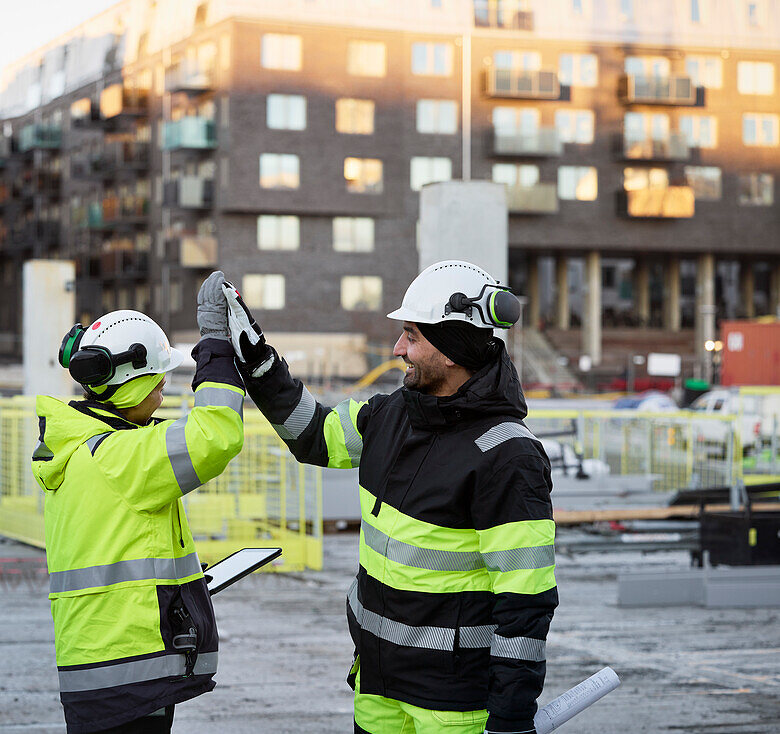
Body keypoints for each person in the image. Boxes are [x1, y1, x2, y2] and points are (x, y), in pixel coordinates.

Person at [221, 260, 557, 734]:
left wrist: (511, 719)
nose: (399, 348)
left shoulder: (509, 456)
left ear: (453, 350)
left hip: (452, 705)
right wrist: (260, 367)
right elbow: (313, 434)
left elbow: (526, 604)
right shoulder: (393, 414)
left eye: (412, 336)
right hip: (376, 684)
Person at [32, 272, 245, 733]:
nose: (164, 388)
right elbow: (216, 436)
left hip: (101, 662)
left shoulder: (85, 447)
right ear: (130, 382)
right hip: (128, 669)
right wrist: (216, 345)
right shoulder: (119, 457)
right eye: (157, 379)